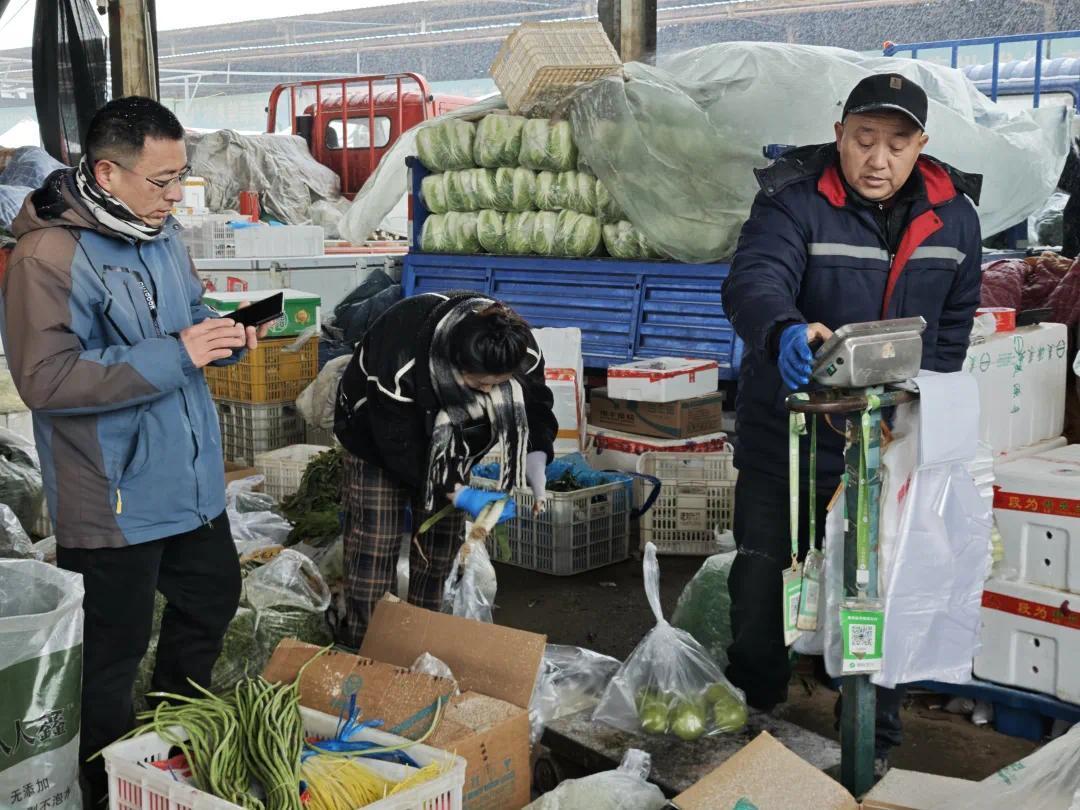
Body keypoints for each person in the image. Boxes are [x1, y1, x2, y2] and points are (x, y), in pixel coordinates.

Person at [0, 96, 268, 805]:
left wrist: (221, 333)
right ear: (107, 172)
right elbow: (46, 380)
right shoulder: (46, 257)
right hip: (112, 494)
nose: (176, 195)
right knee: (111, 656)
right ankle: (106, 785)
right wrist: (175, 353)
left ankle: (169, 747)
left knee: (211, 599)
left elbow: (183, 322)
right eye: (162, 181)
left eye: (181, 178)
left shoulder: (160, 234)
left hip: (191, 478)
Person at [721, 73, 983, 767]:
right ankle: (754, 707)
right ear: (839, 134)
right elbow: (754, 279)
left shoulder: (954, 214)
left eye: (896, 144)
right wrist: (780, 330)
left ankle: (872, 728)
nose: (878, 159)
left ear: (920, 146)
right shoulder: (791, 199)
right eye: (864, 139)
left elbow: (952, 328)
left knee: (882, 581)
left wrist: (928, 407)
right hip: (790, 432)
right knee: (764, 574)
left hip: (888, 443)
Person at [334, 292, 558, 647]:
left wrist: (537, 456)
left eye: (497, 384)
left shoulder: (519, 351)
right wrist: (459, 492)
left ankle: (423, 644)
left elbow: (537, 405)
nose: (487, 392)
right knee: (374, 550)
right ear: (453, 363)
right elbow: (397, 445)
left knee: (439, 553)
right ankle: (368, 649)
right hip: (375, 435)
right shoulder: (401, 358)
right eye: (478, 385)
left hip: (450, 441)